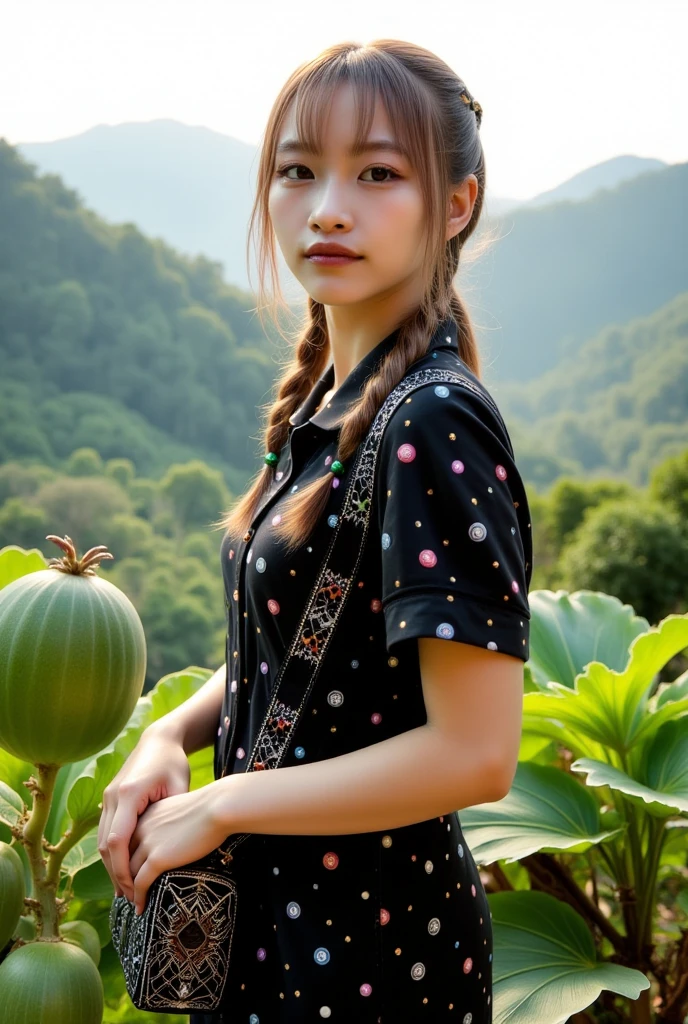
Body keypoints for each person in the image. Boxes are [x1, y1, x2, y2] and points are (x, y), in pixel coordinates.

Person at [98, 38, 532, 1024]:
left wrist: (225, 802)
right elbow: (306, 638)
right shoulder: (337, 404)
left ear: (453, 203)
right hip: (285, 941)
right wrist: (171, 733)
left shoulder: (428, 420)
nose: (328, 205)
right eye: (299, 171)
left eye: (377, 173)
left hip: (367, 963)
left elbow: (475, 752)